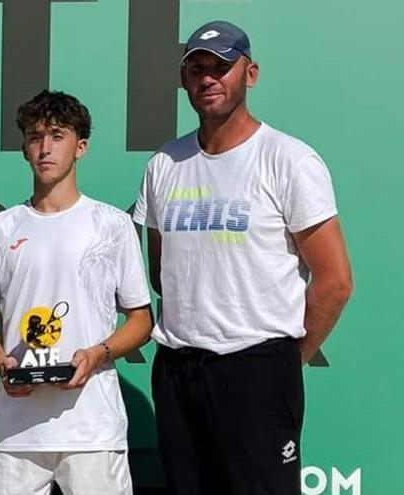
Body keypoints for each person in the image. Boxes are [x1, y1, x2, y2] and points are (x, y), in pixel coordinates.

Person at [133, 20, 354, 494]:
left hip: (257, 369)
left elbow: (335, 281)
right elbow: (161, 272)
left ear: (249, 74)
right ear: (184, 79)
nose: (208, 78)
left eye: (222, 67)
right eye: (196, 68)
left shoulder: (288, 159)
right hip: (177, 367)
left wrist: (282, 362)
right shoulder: (163, 165)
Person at [0, 90, 153, 495]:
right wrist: (1, 362)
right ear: (24, 149)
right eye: (35, 137)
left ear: (80, 146)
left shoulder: (113, 225)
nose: (45, 148)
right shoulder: (0, 229)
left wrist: (96, 354)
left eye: (57, 135)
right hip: (18, 433)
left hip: (92, 429)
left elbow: (141, 319)